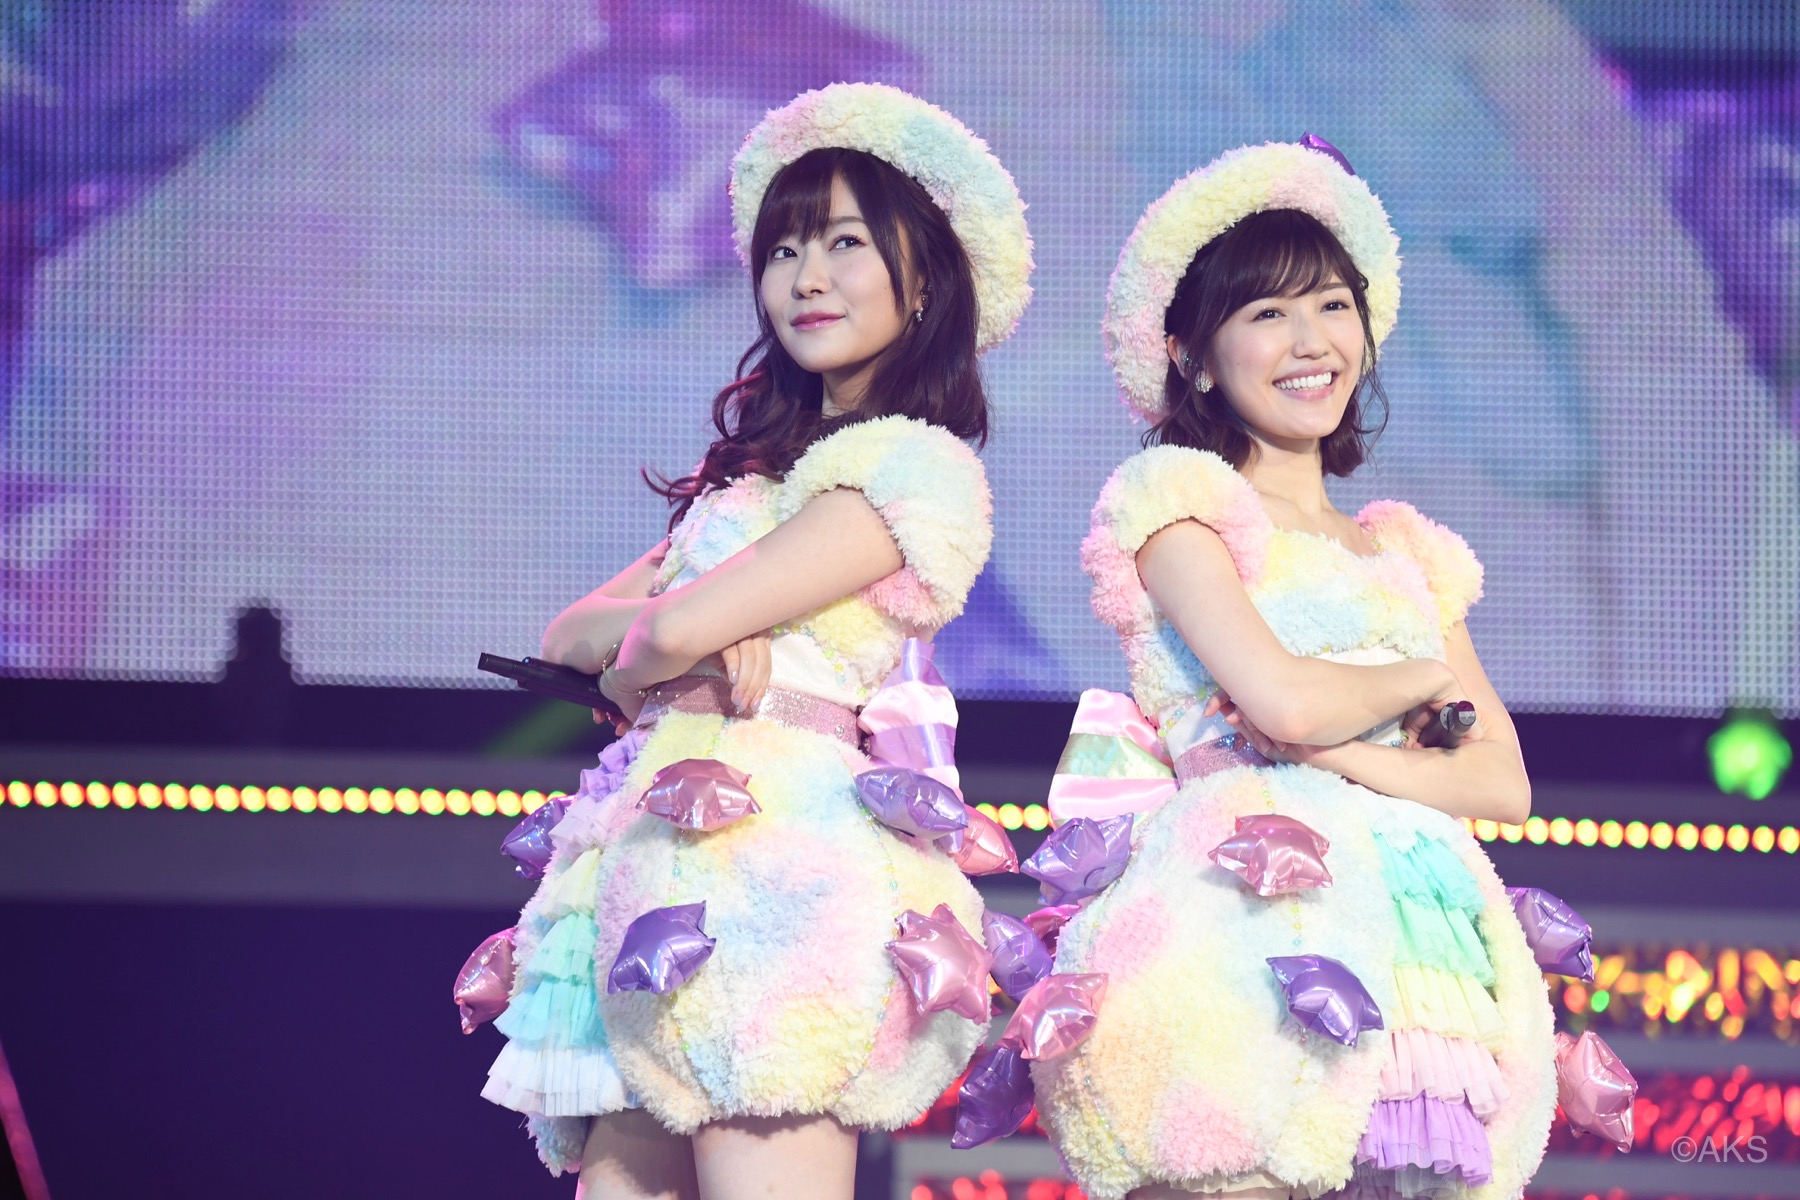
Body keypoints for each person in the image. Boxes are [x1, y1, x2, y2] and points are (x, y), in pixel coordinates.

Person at [477, 82, 1033, 1199]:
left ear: (925, 278)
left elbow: (661, 628)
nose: (806, 277)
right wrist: (673, 646)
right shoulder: (749, 484)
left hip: (781, 871)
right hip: (658, 856)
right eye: (784, 250)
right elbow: (572, 633)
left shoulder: (915, 468)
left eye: (844, 243)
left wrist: (668, 648)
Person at [1032, 141, 1556, 1198]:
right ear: (1192, 354)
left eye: (1331, 305)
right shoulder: (1180, 509)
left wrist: (1348, 756)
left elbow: (1503, 782)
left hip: (1418, 941)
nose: (1312, 341)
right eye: (1268, 312)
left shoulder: (1406, 553)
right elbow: (1281, 701)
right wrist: (1416, 685)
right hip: (1242, 918)